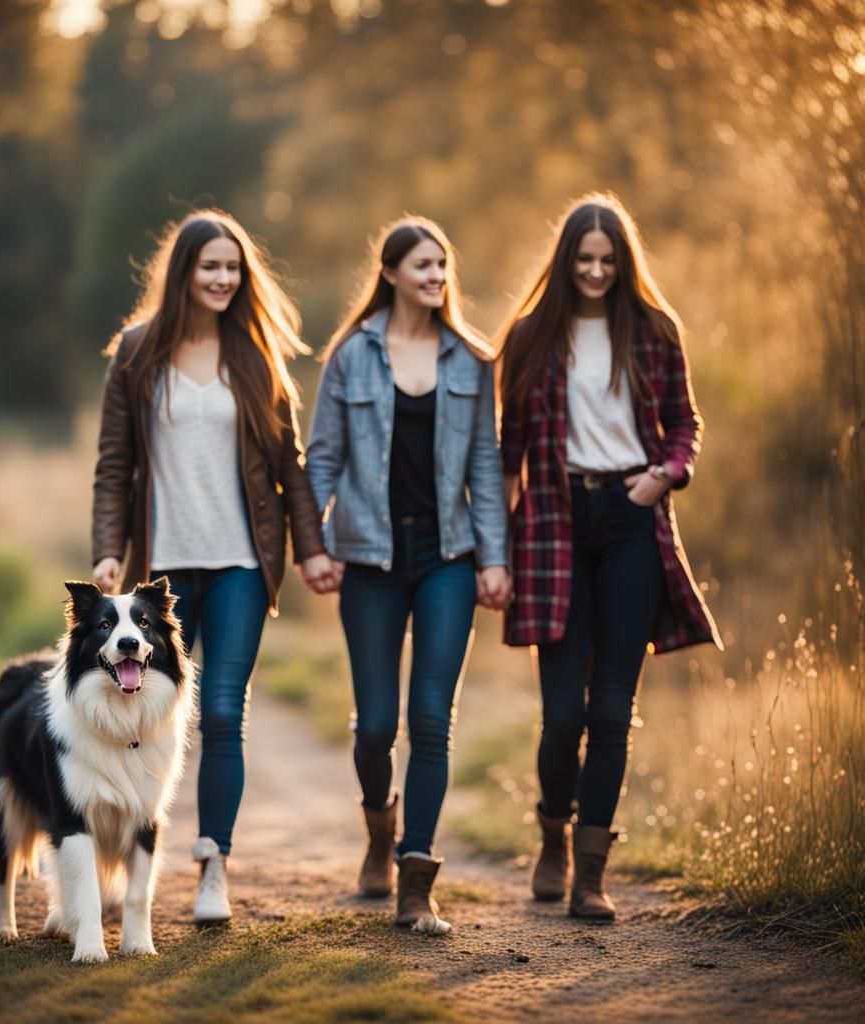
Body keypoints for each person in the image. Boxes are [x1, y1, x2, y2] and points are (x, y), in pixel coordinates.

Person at [91, 210, 337, 923]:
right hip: (161, 574)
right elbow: (115, 464)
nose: (224, 279)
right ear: (184, 274)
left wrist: (312, 550)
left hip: (239, 565)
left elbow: (288, 469)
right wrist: (109, 547)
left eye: (234, 268)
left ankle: (212, 871)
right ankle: (114, 861)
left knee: (223, 713)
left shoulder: (257, 356)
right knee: (135, 714)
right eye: (211, 267)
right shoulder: (137, 354)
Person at [498, 193, 722, 922]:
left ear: (623, 263)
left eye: (608, 259)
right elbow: (507, 451)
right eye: (584, 259)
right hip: (553, 523)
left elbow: (685, 423)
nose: (595, 271)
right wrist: (494, 548)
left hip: (631, 522)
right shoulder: (531, 335)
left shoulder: (655, 330)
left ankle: (591, 874)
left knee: (612, 712)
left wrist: (666, 473)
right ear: (566, 262)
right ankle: (553, 838)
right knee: (563, 714)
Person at [307, 217, 510, 934]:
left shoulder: (472, 361)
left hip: (447, 559)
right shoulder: (351, 357)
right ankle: (378, 833)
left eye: (443, 265)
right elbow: (321, 457)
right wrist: (314, 545)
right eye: (423, 265)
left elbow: (485, 468)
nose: (436, 276)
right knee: (375, 727)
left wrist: (494, 558)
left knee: (431, 718)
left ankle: (416, 880)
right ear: (390, 272)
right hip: (367, 557)